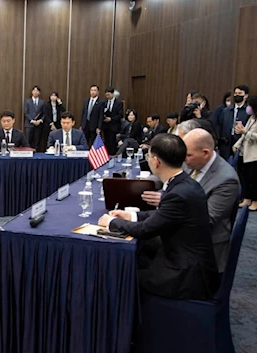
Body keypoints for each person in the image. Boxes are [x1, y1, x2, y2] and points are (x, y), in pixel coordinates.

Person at [98, 134, 219, 300]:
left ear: (156, 161)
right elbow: (162, 214)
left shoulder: (178, 193)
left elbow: (145, 230)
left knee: (118, 276)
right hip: (187, 260)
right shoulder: (184, 183)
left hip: (186, 274)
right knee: (137, 257)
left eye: (148, 156)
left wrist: (112, 222)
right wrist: (131, 215)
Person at [141, 129, 240, 273]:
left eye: (188, 156)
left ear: (205, 153)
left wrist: (170, 202)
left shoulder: (226, 180)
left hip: (199, 249)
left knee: (137, 243)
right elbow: (169, 174)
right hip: (178, 231)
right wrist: (138, 183)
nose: (184, 160)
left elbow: (206, 220)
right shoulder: (192, 161)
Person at [233, 95, 257, 211]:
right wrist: (237, 144)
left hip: (254, 154)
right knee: (245, 178)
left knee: (254, 179)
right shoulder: (252, 117)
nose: (248, 108)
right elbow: (244, 134)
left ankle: (255, 201)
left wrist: (246, 132)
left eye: (250, 105)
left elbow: (250, 134)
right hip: (244, 152)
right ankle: (247, 199)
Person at [220, 85, 250, 161]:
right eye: (235, 93)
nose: (237, 95)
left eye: (240, 93)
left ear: (245, 96)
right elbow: (221, 126)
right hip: (226, 144)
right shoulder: (226, 110)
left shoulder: (248, 111)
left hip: (241, 144)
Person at [102, 87, 123, 155]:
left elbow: (120, 115)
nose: (107, 96)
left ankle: (113, 156)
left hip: (114, 126)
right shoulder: (104, 102)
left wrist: (111, 119)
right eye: (106, 95)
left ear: (113, 93)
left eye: (109, 94)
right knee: (106, 142)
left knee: (112, 142)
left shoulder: (118, 103)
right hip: (106, 126)